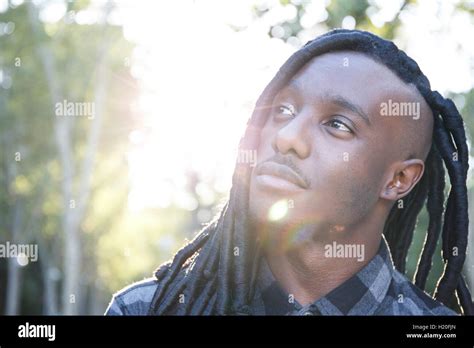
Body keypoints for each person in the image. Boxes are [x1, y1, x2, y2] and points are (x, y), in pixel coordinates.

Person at [105, 29, 473, 316]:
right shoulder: (149, 309)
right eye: (282, 111)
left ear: (398, 180)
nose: (286, 137)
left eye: (337, 125)